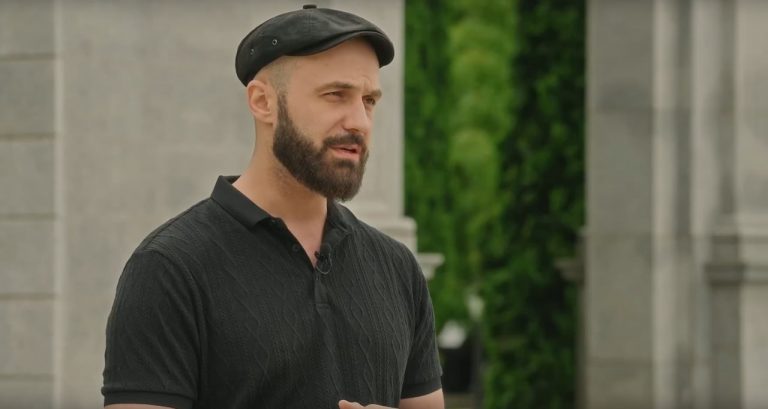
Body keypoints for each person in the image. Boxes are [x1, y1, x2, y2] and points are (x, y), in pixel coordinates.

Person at [101, 4, 444, 409]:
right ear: (263, 101)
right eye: (336, 95)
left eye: (369, 100)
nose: (360, 121)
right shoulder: (170, 269)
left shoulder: (398, 269)